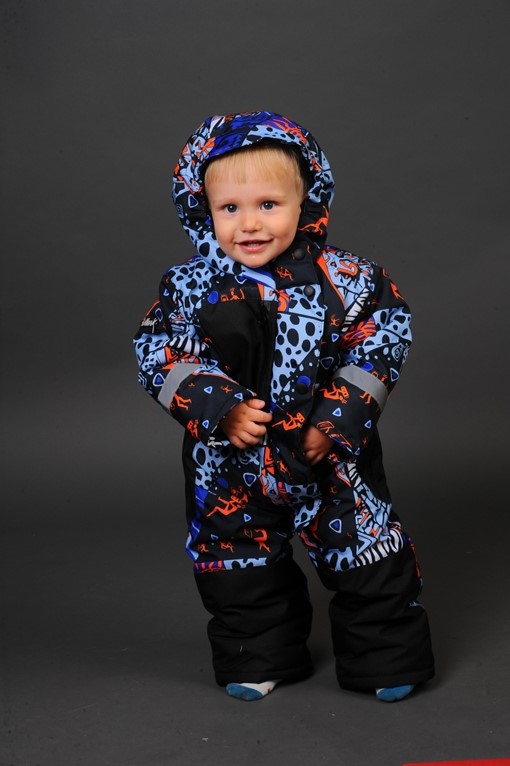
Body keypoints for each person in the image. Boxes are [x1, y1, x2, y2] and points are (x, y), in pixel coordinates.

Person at [133, 111, 434, 703]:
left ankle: (385, 657)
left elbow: (382, 339)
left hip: (330, 458)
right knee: (239, 565)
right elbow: (158, 351)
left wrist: (337, 418)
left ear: (307, 203)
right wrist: (217, 407)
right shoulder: (188, 288)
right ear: (203, 210)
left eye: (268, 204)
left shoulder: (350, 279)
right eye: (230, 208)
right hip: (231, 465)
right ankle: (258, 655)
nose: (249, 223)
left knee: (368, 555)